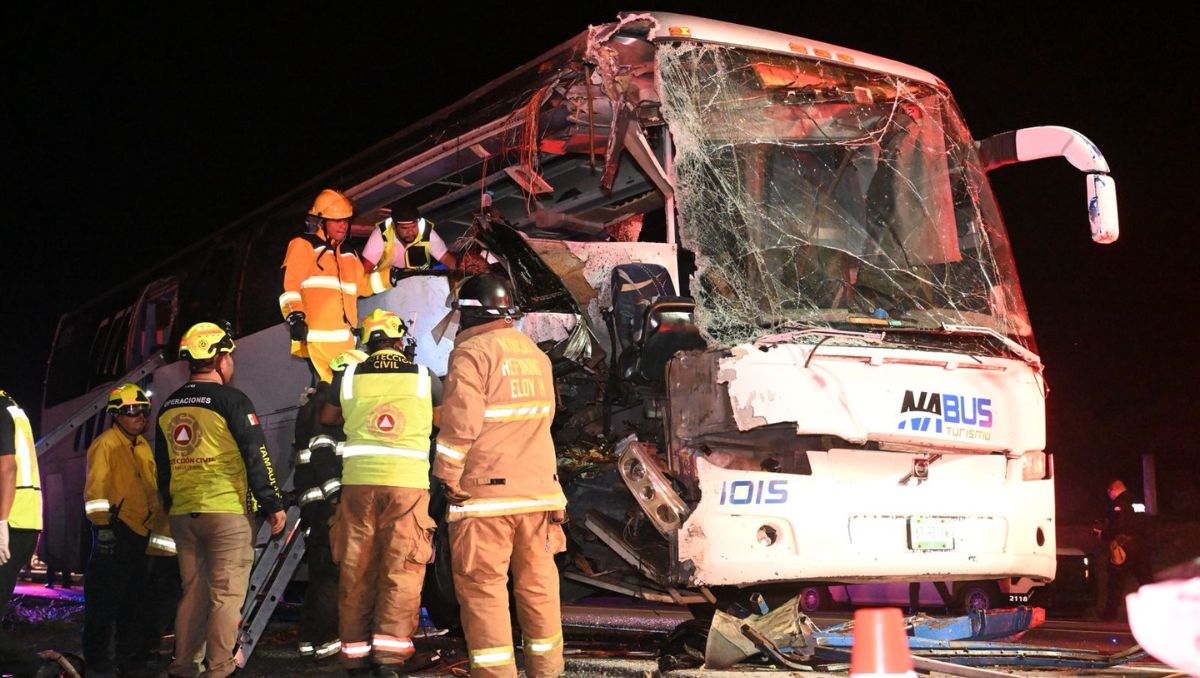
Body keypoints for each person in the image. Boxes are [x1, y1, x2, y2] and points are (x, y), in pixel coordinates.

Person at [432, 274, 567, 678]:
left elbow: (460, 425)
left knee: (483, 590)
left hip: (485, 498)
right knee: (539, 589)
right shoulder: (535, 355)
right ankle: (548, 671)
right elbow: (546, 421)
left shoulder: (472, 353)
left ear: (470, 313)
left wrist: (448, 475)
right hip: (540, 495)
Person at [155, 321, 286, 678]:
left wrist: (172, 505)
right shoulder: (232, 400)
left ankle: (183, 667)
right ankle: (220, 669)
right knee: (226, 597)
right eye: (229, 356)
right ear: (219, 358)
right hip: (226, 511)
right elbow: (256, 455)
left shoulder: (169, 406)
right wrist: (273, 505)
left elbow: (162, 467)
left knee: (193, 594)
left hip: (184, 514)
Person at [320, 309, 441, 676]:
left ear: (366, 343)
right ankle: (389, 658)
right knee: (400, 570)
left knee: (356, 569)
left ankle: (354, 656)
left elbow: (327, 418)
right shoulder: (423, 377)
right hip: (407, 487)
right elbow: (444, 422)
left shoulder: (348, 375)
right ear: (400, 341)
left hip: (358, 486)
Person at [81, 383, 163, 674]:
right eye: (131, 411)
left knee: (135, 600)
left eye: (144, 411)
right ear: (116, 414)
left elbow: (151, 490)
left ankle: (129, 658)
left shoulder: (142, 447)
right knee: (104, 601)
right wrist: (102, 528)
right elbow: (96, 489)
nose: (140, 416)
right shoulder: (106, 444)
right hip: (115, 532)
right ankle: (97, 660)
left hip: (141, 533)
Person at [291, 348, 366, 663]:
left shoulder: (314, 403)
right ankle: (326, 643)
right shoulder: (326, 408)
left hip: (314, 500)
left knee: (321, 574)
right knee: (330, 575)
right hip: (324, 503)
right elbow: (324, 456)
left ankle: (311, 642)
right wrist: (338, 499)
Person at [280, 189, 392, 383]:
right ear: (320, 221)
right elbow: (289, 286)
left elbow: (362, 286)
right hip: (317, 341)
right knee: (333, 393)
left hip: (347, 341)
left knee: (344, 395)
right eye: (337, 220)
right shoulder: (303, 245)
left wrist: (389, 276)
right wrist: (295, 318)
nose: (343, 226)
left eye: (346, 220)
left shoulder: (349, 253)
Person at [0, 388, 44, 676]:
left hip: (10, 524)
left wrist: (1, 521)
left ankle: (38, 669)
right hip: (22, 521)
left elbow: (6, 467)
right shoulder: (11, 406)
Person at [1099, 478, 1152, 621]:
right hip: (1142, 546)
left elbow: (1118, 525)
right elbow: (1146, 523)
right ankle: (1157, 611)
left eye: (1109, 493)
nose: (1109, 496)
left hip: (1124, 546)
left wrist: (1103, 534)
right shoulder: (1138, 502)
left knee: (1115, 581)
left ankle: (1109, 615)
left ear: (1113, 489)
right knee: (1146, 581)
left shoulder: (1119, 504)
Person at [362, 199, 456, 271]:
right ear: (394, 226)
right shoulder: (381, 235)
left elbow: (445, 257)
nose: (411, 232)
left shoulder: (426, 231)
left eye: (414, 226)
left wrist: (462, 273)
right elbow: (365, 270)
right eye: (405, 228)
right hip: (386, 291)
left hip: (419, 286)